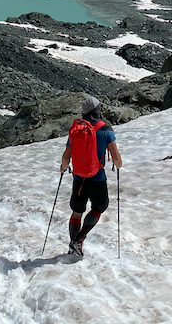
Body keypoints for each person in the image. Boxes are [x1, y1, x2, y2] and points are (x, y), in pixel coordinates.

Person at [59, 96, 122, 257]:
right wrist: (118, 165)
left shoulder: (77, 129)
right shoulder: (106, 130)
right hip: (97, 178)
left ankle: (74, 245)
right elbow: (117, 160)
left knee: (77, 211)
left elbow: (66, 156)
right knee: (99, 206)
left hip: (78, 177)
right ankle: (80, 238)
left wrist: (63, 168)